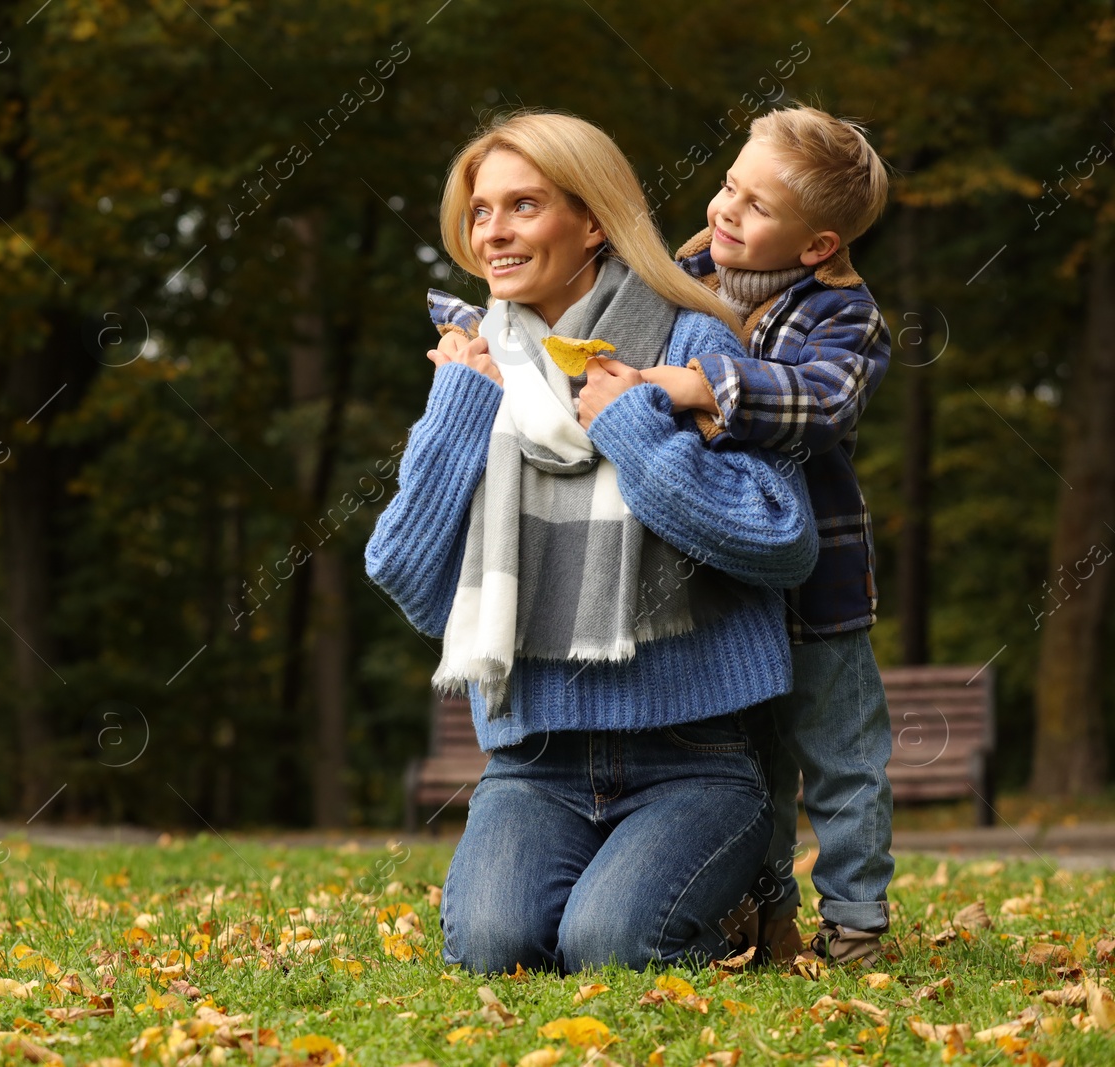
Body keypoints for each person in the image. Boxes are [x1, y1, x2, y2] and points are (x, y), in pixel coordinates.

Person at [364, 110, 819, 973]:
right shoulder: (480, 361)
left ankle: (735, 888)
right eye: (481, 210)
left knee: (608, 948)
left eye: (523, 205)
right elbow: (406, 575)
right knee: (496, 948)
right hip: (534, 760)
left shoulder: (688, 340)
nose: (492, 230)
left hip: (694, 754)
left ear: (594, 221)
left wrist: (635, 432)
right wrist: (460, 408)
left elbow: (779, 539)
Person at [639, 106, 894, 964]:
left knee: (841, 759)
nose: (724, 210)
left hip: (820, 589)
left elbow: (822, 403)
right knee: (752, 768)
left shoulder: (843, 315)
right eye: (727, 187)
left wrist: (701, 383)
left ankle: (856, 919)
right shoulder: (684, 272)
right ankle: (764, 913)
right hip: (730, 584)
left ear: (818, 244)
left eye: (754, 207)